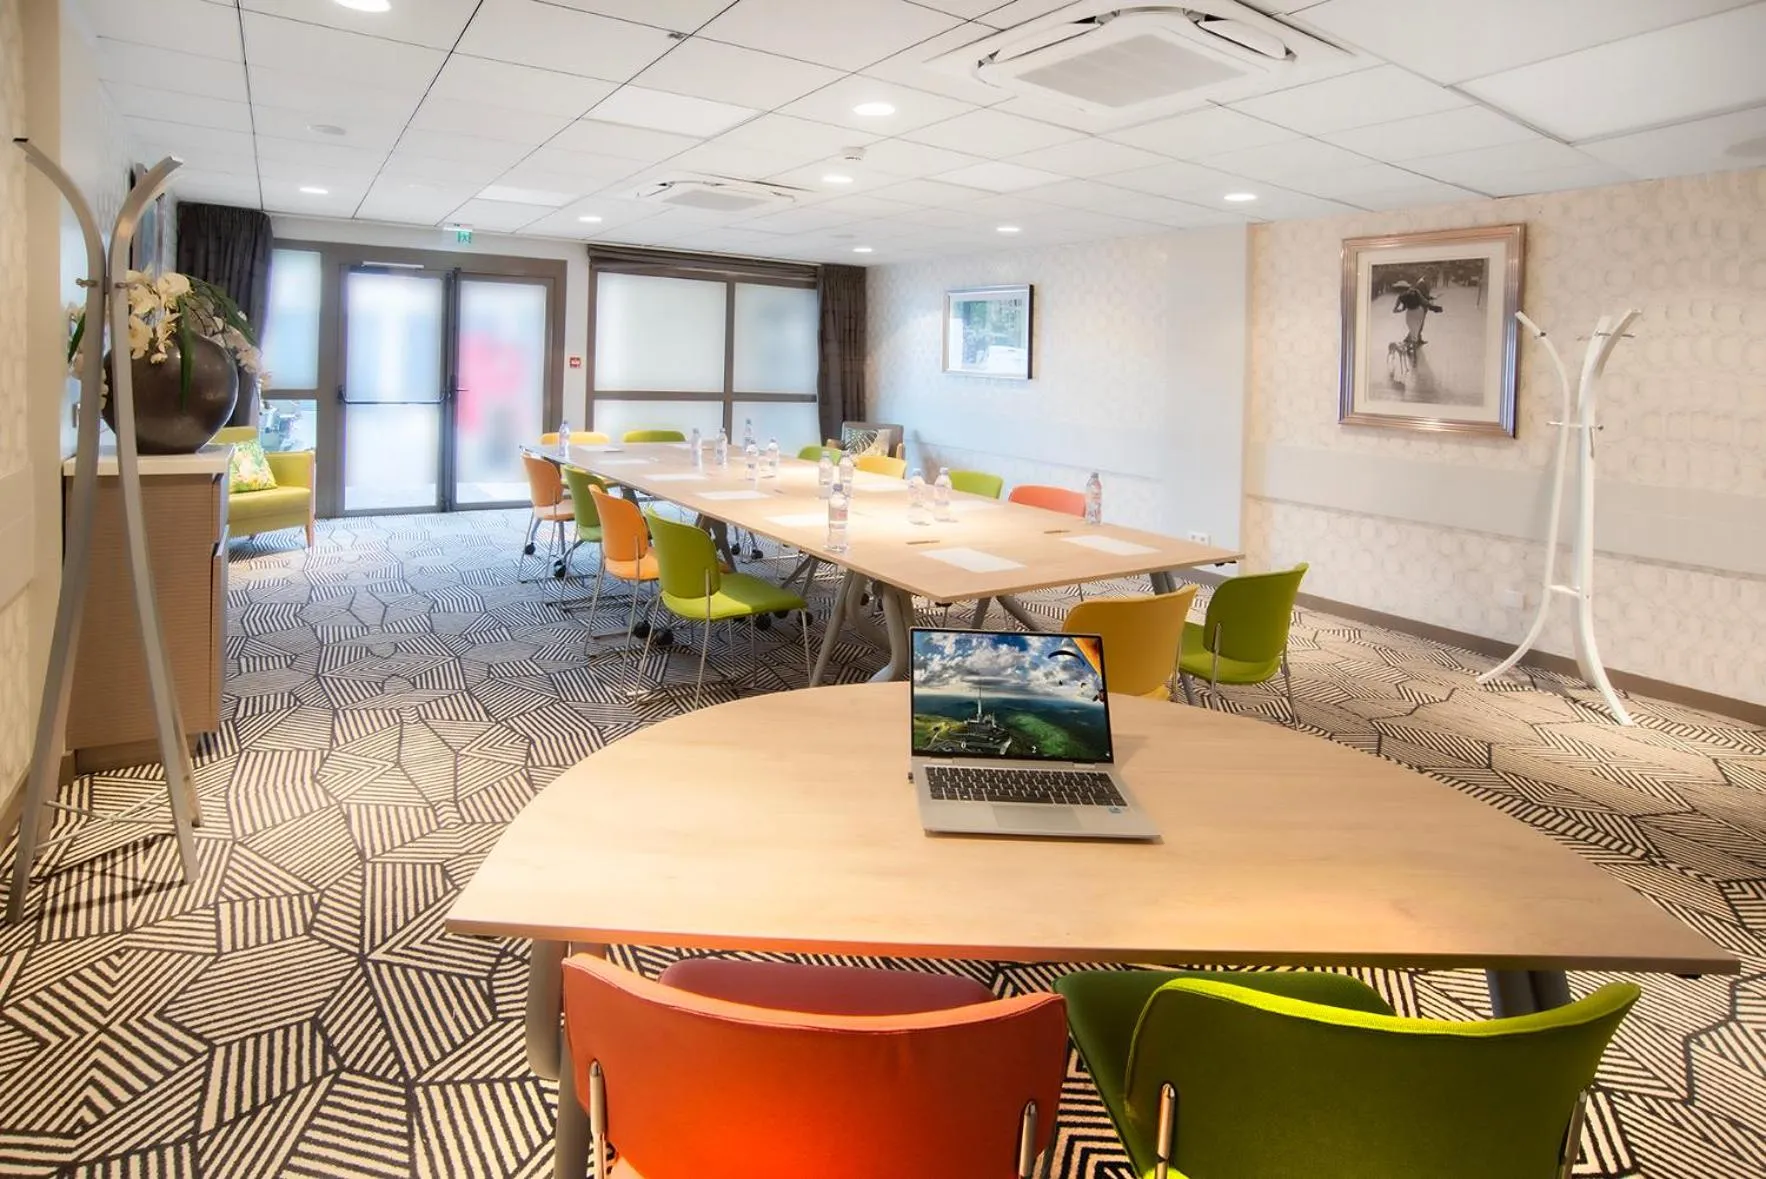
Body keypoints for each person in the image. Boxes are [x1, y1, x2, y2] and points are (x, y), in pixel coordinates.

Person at [1392, 278, 1443, 346]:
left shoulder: (1415, 292)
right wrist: (1397, 309)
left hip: (1418, 311)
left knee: (1416, 327)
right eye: (1400, 289)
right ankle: (1412, 340)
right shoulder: (1402, 296)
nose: (1402, 290)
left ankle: (1413, 341)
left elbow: (1423, 301)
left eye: (1403, 289)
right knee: (1412, 326)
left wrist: (1432, 307)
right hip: (1411, 312)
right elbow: (1396, 306)